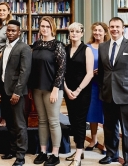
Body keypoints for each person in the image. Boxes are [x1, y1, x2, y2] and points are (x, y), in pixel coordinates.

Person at [30, 16, 66, 166]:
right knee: (42, 121)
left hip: (52, 89)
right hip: (37, 88)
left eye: (47, 26)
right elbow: (32, 68)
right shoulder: (36, 44)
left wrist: (56, 89)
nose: (44, 29)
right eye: (42, 26)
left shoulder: (58, 45)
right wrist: (31, 88)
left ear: (52, 28)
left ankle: (55, 155)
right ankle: (43, 152)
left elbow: (61, 69)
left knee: (53, 122)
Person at [0, 20, 31, 166]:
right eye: (8, 30)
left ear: (19, 32)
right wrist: (0, 90)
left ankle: (21, 155)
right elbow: (2, 70)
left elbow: (25, 72)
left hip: (16, 92)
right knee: (9, 123)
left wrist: (17, 92)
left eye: (13, 31)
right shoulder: (5, 47)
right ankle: (12, 150)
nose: (10, 33)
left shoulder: (24, 48)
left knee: (19, 124)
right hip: (4, 91)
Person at [98, 17, 128, 166]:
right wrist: (102, 90)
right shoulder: (103, 47)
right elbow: (103, 71)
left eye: (117, 26)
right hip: (108, 93)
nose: (114, 29)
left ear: (123, 28)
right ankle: (111, 154)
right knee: (109, 128)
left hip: (125, 94)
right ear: (108, 29)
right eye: (112, 27)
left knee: (126, 130)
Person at [63, 22, 94, 166]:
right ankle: (77, 151)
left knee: (80, 123)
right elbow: (61, 71)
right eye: (71, 31)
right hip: (68, 90)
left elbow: (89, 74)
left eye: (77, 31)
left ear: (82, 33)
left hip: (82, 91)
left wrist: (78, 90)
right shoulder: (65, 48)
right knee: (73, 122)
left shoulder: (86, 50)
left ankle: (78, 156)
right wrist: (66, 89)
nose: (74, 34)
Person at [85, 22, 110, 154]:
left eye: (100, 31)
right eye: (95, 30)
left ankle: (106, 142)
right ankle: (93, 139)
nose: (97, 33)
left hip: (106, 85)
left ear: (105, 32)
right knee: (93, 113)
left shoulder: (109, 46)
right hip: (92, 85)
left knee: (106, 115)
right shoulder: (87, 47)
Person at [0, 2, 13, 127]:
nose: (1, 12)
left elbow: (8, 46)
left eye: (4, 10)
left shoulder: (10, 26)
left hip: (4, 58)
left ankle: (6, 118)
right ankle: (1, 117)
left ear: (8, 11)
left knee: (5, 90)